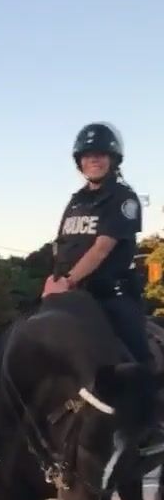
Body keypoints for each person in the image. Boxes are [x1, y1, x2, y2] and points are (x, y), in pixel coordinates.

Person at [43, 123, 149, 362]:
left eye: (101, 154)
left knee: (140, 358)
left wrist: (68, 281)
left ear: (113, 159)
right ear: (79, 161)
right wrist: (54, 279)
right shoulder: (76, 201)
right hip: (70, 293)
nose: (94, 160)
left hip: (110, 296)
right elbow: (62, 244)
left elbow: (101, 249)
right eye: (87, 155)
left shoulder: (123, 198)